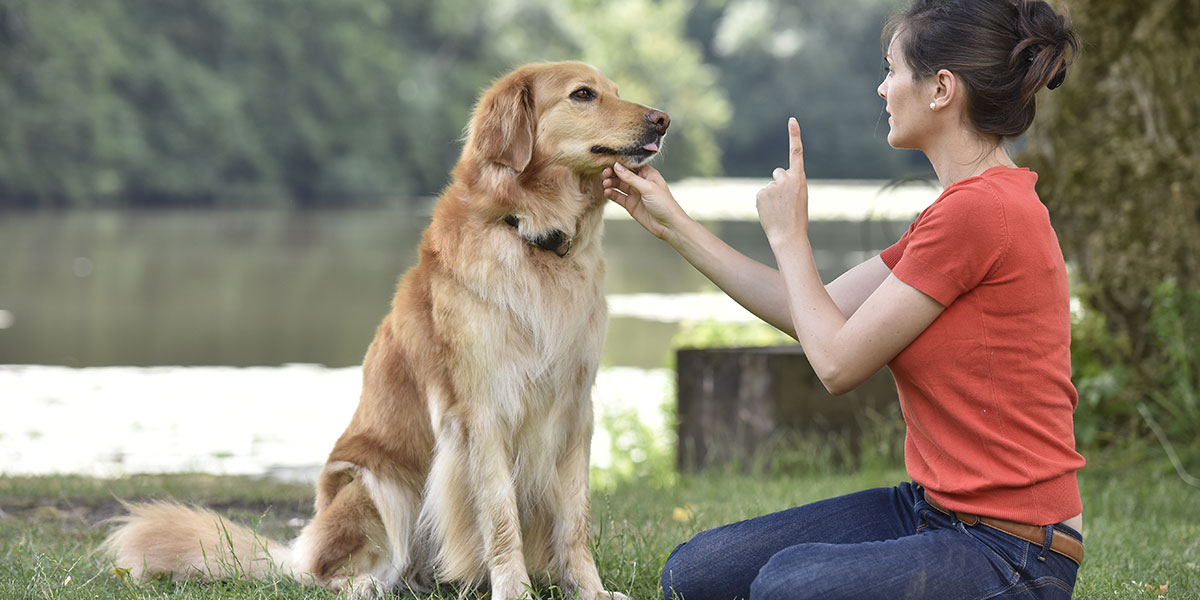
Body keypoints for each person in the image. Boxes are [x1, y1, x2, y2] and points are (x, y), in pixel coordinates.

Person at [602, 0, 1084, 598]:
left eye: (891, 70)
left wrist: (790, 237)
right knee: (693, 573)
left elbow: (834, 364)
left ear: (940, 88)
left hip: (1014, 550)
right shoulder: (962, 210)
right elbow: (815, 312)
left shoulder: (982, 213)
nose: (882, 90)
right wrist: (674, 224)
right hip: (935, 510)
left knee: (785, 587)